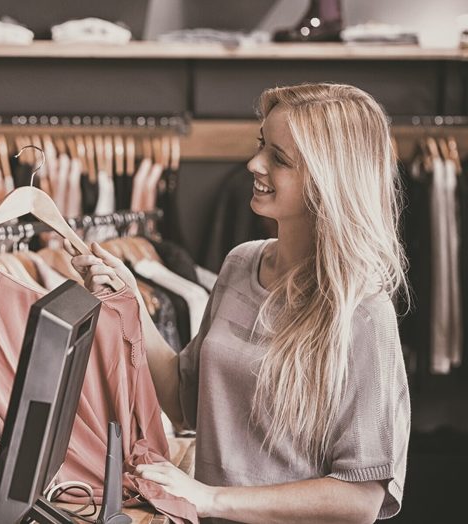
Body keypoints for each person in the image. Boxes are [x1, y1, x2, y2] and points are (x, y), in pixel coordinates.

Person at [73, 83, 410, 523]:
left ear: (331, 181)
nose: (254, 164)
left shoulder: (362, 312)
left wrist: (210, 498)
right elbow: (183, 399)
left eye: (280, 158)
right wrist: (130, 303)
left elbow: (361, 500)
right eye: (260, 145)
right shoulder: (240, 263)